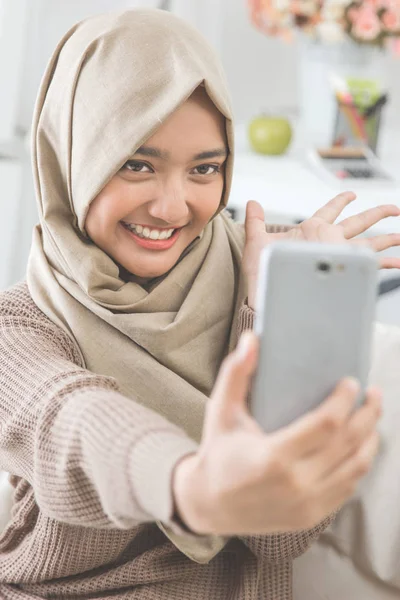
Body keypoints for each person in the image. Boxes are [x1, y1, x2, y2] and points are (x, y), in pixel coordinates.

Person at [0, 8, 399, 600]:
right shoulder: (21, 324)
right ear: (72, 155)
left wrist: (278, 322)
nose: (172, 207)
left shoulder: (254, 278)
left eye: (205, 169)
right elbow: (72, 421)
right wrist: (193, 485)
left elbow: (286, 539)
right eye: (137, 163)